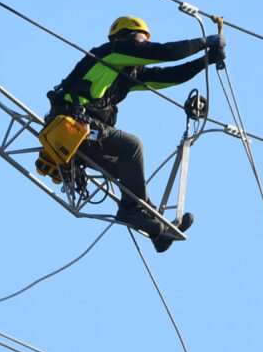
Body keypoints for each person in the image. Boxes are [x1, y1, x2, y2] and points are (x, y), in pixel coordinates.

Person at [47, 15, 225, 252]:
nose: (143, 45)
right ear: (124, 37)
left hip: (84, 135)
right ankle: (130, 212)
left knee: (128, 172)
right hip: (69, 125)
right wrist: (204, 42)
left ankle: (158, 233)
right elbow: (166, 53)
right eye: (141, 39)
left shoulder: (128, 72)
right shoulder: (111, 53)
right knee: (132, 146)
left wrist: (205, 60)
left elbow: (169, 76)